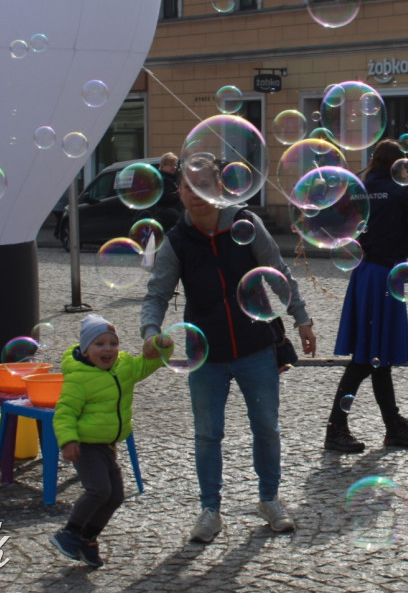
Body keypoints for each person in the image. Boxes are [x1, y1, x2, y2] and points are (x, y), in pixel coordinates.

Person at [140, 159, 317, 544]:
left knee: (266, 427)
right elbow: (156, 293)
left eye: (202, 185)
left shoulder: (246, 224)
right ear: (180, 193)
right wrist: (151, 331)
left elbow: (279, 272)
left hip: (255, 346)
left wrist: (301, 317)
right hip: (205, 352)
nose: (194, 194)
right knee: (207, 434)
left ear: (218, 188)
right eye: (187, 187)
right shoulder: (177, 241)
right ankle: (210, 511)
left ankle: (269, 500)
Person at [325, 139, 408, 454]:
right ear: (399, 164)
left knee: (376, 356)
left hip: (365, 273)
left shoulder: (358, 188)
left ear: (374, 160)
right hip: (385, 274)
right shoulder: (401, 191)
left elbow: (338, 225)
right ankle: (335, 428)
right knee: (366, 357)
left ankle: (393, 426)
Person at [50, 314, 173, 568]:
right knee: (99, 490)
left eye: (113, 344)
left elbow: (149, 364)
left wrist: (164, 346)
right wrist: (68, 441)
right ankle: (69, 532)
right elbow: (64, 412)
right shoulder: (78, 377)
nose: (108, 349)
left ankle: (88, 538)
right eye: (99, 344)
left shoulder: (124, 367)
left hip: (107, 446)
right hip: (85, 445)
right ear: (85, 351)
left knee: (116, 495)